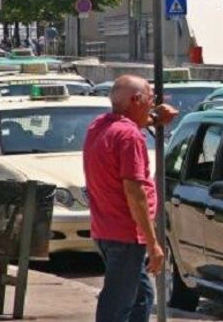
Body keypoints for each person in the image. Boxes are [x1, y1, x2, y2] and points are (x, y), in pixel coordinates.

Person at [83, 75, 179, 322]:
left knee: (142, 296)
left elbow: (131, 120)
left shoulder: (99, 125)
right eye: (150, 99)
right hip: (126, 234)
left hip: (105, 230)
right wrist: (153, 243)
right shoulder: (129, 137)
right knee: (117, 305)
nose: (152, 103)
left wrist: (155, 118)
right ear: (136, 99)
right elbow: (135, 193)